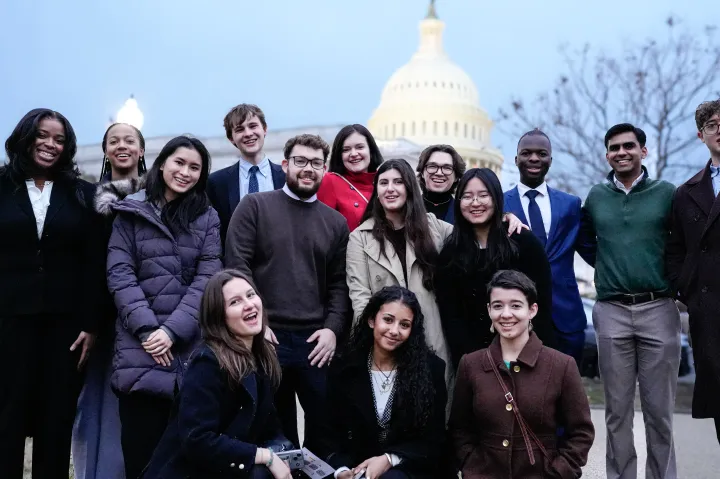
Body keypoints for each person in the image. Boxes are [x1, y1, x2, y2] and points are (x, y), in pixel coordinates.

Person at [224, 133, 350, 457]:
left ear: (325, 170)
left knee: (326, 434)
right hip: (267, 339)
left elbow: (339, 283)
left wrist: (333, 330)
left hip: (316, 342)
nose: (308, 169)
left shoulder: (335, 223)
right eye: (300, 161)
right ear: (285, 165)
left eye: (316, 163)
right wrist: (257, 325)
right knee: (275, 435)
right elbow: (237, 270)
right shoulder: (253, 207)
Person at [106, 135, 223, 478]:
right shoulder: (129, 212)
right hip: (138, 348)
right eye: (179, 162)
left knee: (188, 461)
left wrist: (172, 331)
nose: (185, 172)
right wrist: (147, 329)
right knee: (141, 459)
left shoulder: (207, 218)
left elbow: (208, 279)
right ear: (162, 163)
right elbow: (120, 274)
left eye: (194, 167)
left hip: (189, 349)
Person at [0, 108, 105, 478]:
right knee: (6, 419)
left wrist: (91, 324)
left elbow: (94, 263)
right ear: (25, 137)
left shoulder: (83, 193)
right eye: (42, 135)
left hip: (66, 329)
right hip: (8, 323)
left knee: (55, 421)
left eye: (59, 139)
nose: (50, 144)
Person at [583, 123, 680, 479]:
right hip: (611, 311)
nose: (621, 152)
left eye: (628, 146)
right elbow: (586, 241)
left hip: (659, 307)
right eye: (613, 148)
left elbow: (681, 242)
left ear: (643, 150)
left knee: (660, 411)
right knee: (617, 411)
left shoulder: (667, 193)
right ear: (607, 154)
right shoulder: (596, 196)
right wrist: (612, 266)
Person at [142, 270, 292, 479]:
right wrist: (264, 456)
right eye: (235, 302)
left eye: (250, 295)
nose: (249, 304)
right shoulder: (207, 363)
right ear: (218, 317)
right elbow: (197, 440)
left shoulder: (261, 358)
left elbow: (270, 429)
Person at [449, 270, 594, 478]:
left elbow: (581, 434)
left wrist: (558, 473)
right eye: (498, 306)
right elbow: (459, 429)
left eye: (516, 305)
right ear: (489, 310)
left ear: (532, 310)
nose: (506, 314)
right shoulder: (470, 364)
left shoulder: (562, 365)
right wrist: (472, 467)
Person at [73, 122, 148, 479]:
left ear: (142, 150)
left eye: (129, 141)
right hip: (102, 320)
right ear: (105, 150)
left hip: (148, 317)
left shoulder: (160, 197)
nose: (122, 146)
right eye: (114, 141)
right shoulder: (85, 199)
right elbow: (86, 264)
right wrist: (90, 321)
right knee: (99, 405)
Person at [435, 168, 555, 371]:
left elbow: (541, 303)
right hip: (473, 361)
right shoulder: (451, 251)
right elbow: (451, 315)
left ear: (496, 198)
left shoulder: (522, 242)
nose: (475, 203)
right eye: (467, 196)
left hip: (524, 355)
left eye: (483, 195)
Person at [326, 286, 449, 479]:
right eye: (388, 320)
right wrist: (342, 470)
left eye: (404, 325)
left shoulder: (431, 369)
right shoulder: (345, 367)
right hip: (355, 466)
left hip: (409, 467)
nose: (394, 331)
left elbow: (433, 439)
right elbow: (328, 432)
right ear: (371, 320)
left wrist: (389, 459)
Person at [346, 158, 453, 381]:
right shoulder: (360, 238)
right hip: (385, 342)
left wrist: (505, 217)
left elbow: (473, 231)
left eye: (398, 182)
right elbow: (360, 297)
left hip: (432, 339)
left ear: (409, 188)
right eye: (383, 183)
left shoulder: (433, 227)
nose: (390, 189)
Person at [504, 129, 596, 366]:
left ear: (550, 161)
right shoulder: (499, 204)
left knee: (564, 392)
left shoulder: (571, 205)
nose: (534, 158)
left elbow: (594, 253)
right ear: (516, 160)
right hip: (514, 315)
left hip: (564, 317)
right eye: (526, 153)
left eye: (541, 153)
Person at [666, 99, 720, 444]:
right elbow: (674, 250)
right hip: (709, 312)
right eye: (714, 125)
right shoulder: (686, 193)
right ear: (702, 135)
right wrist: (686, 289)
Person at [207, 104, 285, 245]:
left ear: (265, 129)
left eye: (253, 126)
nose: (248, 133)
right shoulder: (216, 183)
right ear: (231, 138)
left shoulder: (287, 176)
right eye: (239, 129)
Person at [317, 124, 383, 231]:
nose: (353, 154)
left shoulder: (384, 182)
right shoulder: (330, 181)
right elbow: (322, 230)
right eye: (346, 150)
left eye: (360, 147)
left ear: (371, 150)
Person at [415, 144, 466, 224]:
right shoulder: (407, 210)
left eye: (447, 168)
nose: (439, 173)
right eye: (432, 166)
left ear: (456, 177)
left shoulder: (465, 213)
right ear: (422, 172)